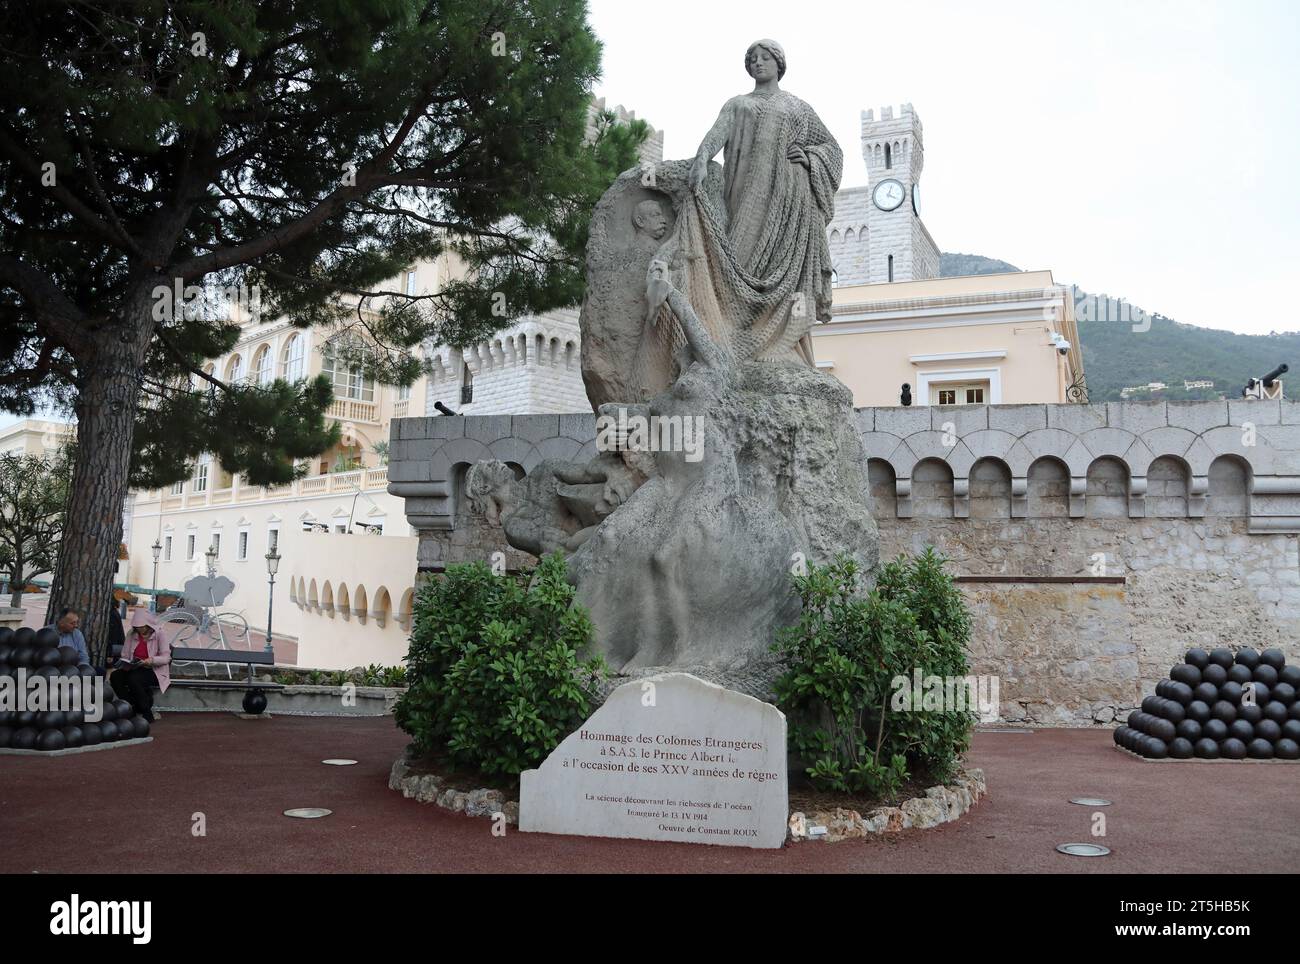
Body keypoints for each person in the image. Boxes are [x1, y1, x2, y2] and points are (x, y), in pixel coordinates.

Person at [110, 609, 171, 723]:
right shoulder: (131, 634)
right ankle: (130, 708)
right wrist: (127, 661)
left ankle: (147, 713)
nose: (139, 629)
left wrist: (150, 660)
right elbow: (125, 654)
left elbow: (166, 658)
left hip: (154, 670)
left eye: (142, 626)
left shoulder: (159, 634)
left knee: (134, 679)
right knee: (115, 676)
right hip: (135, 667)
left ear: (148, 624)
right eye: (137, 627)